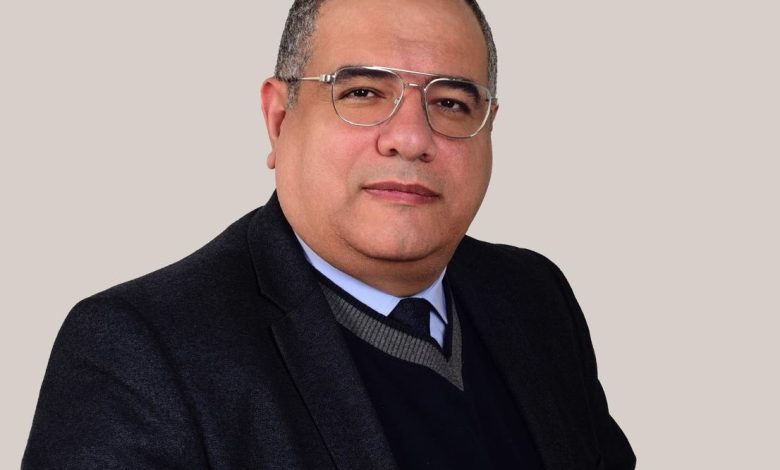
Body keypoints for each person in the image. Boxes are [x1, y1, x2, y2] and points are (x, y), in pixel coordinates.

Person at [23, 0, 635, 468]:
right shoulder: (138, 352)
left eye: (451, 103)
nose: (411, 138)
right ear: (278, 118)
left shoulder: (534, 297)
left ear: (489, 129)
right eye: (363, 93)